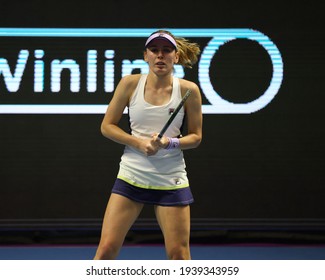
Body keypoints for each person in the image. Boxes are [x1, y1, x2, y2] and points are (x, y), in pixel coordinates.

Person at [94, 30, 202, 260]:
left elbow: (195, 137)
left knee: (179, 256)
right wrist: (140, 143)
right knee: (105, 251)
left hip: (170, 178)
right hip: (132, 174)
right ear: (146, 56)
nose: (160, 56)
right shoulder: (130, 84)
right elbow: (107, 126)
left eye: (166, 50)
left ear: (176, 56)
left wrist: (168, 143)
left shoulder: (189, 90)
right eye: (154, 50)